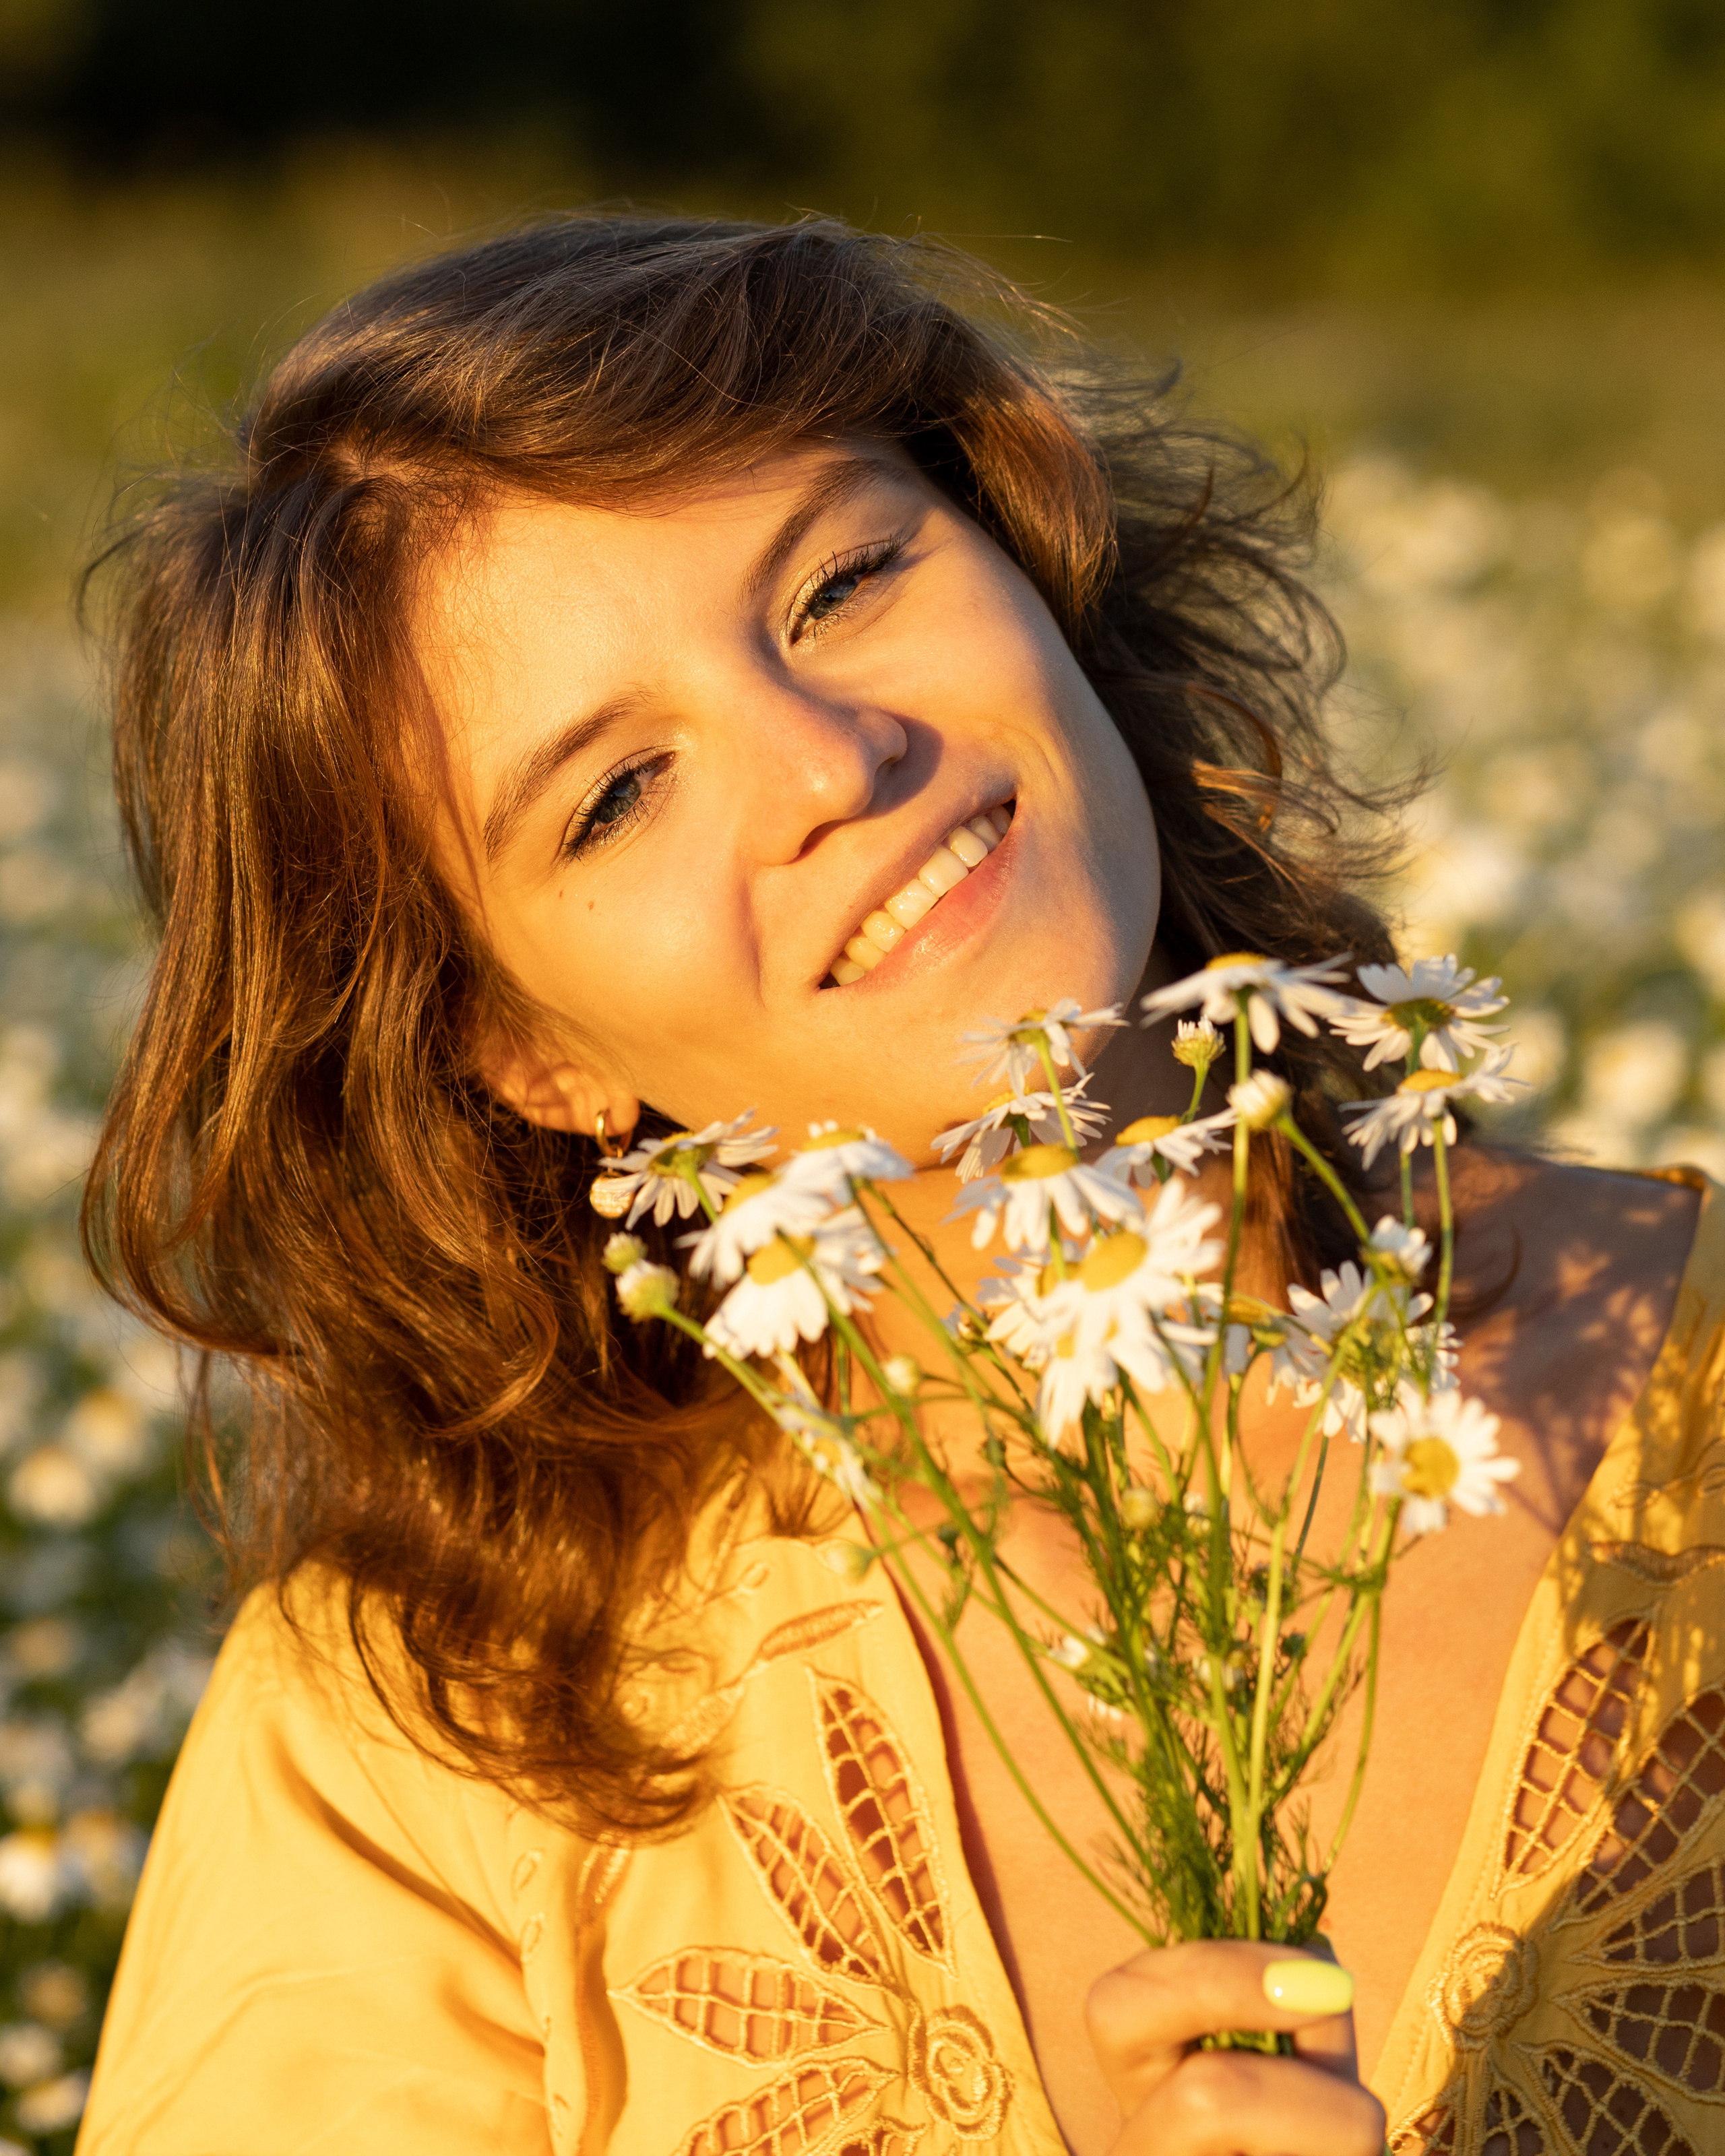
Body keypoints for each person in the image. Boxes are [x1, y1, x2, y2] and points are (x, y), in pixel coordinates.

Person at [73, 214, 1716, 2156]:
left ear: (1028, 561)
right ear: (524, 1052)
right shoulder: (403, 1761)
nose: (830, 762)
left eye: (842, 584)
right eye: (616, 795)